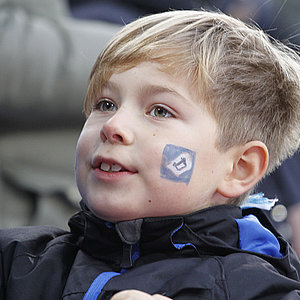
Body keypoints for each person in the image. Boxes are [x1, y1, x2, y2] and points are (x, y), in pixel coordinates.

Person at [1, 9, 300, 300]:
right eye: (105, 104)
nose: (113, 126)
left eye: (159, 111)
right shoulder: (17, 261)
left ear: (239, 168)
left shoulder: (259, 289)